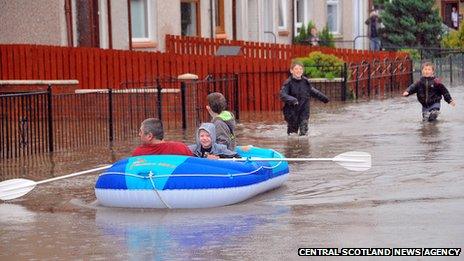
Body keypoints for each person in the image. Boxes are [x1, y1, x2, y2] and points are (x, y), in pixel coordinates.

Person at [279, 60, 329, 136]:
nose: (298, 71)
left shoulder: (305, 81)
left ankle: (304, 147)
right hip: (292, 112)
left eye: (300, 69)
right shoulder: (288, 83)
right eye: (296, 69)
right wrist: (293, 100)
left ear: (302, 71)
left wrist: (324, 98)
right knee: (292, 135)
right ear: (291, 71)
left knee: (304, 133)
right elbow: (282, 94)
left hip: (304, 110)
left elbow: (312, 91)